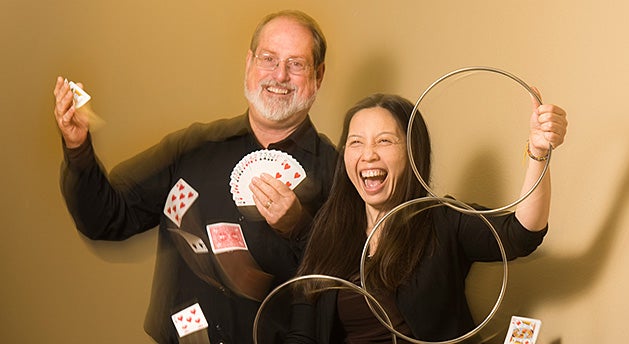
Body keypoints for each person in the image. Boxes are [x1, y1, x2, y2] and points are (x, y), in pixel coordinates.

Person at [52, 10, 338, 343]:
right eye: (268, 59)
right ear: (249, 63)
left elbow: (342, 287)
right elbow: (105, 220)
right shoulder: (193, 148)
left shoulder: (338, 172)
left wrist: (299, 227)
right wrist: (78, 148)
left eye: (296, 64)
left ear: (318, 75)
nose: (279, 75)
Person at [283, 93, 567, 343]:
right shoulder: (328, 231)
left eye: (384, 141)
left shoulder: (442, 220)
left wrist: (538, 153)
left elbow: (522, 233)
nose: (368, 155)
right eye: (356, 142)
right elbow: (303, 333)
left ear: (412, 151)